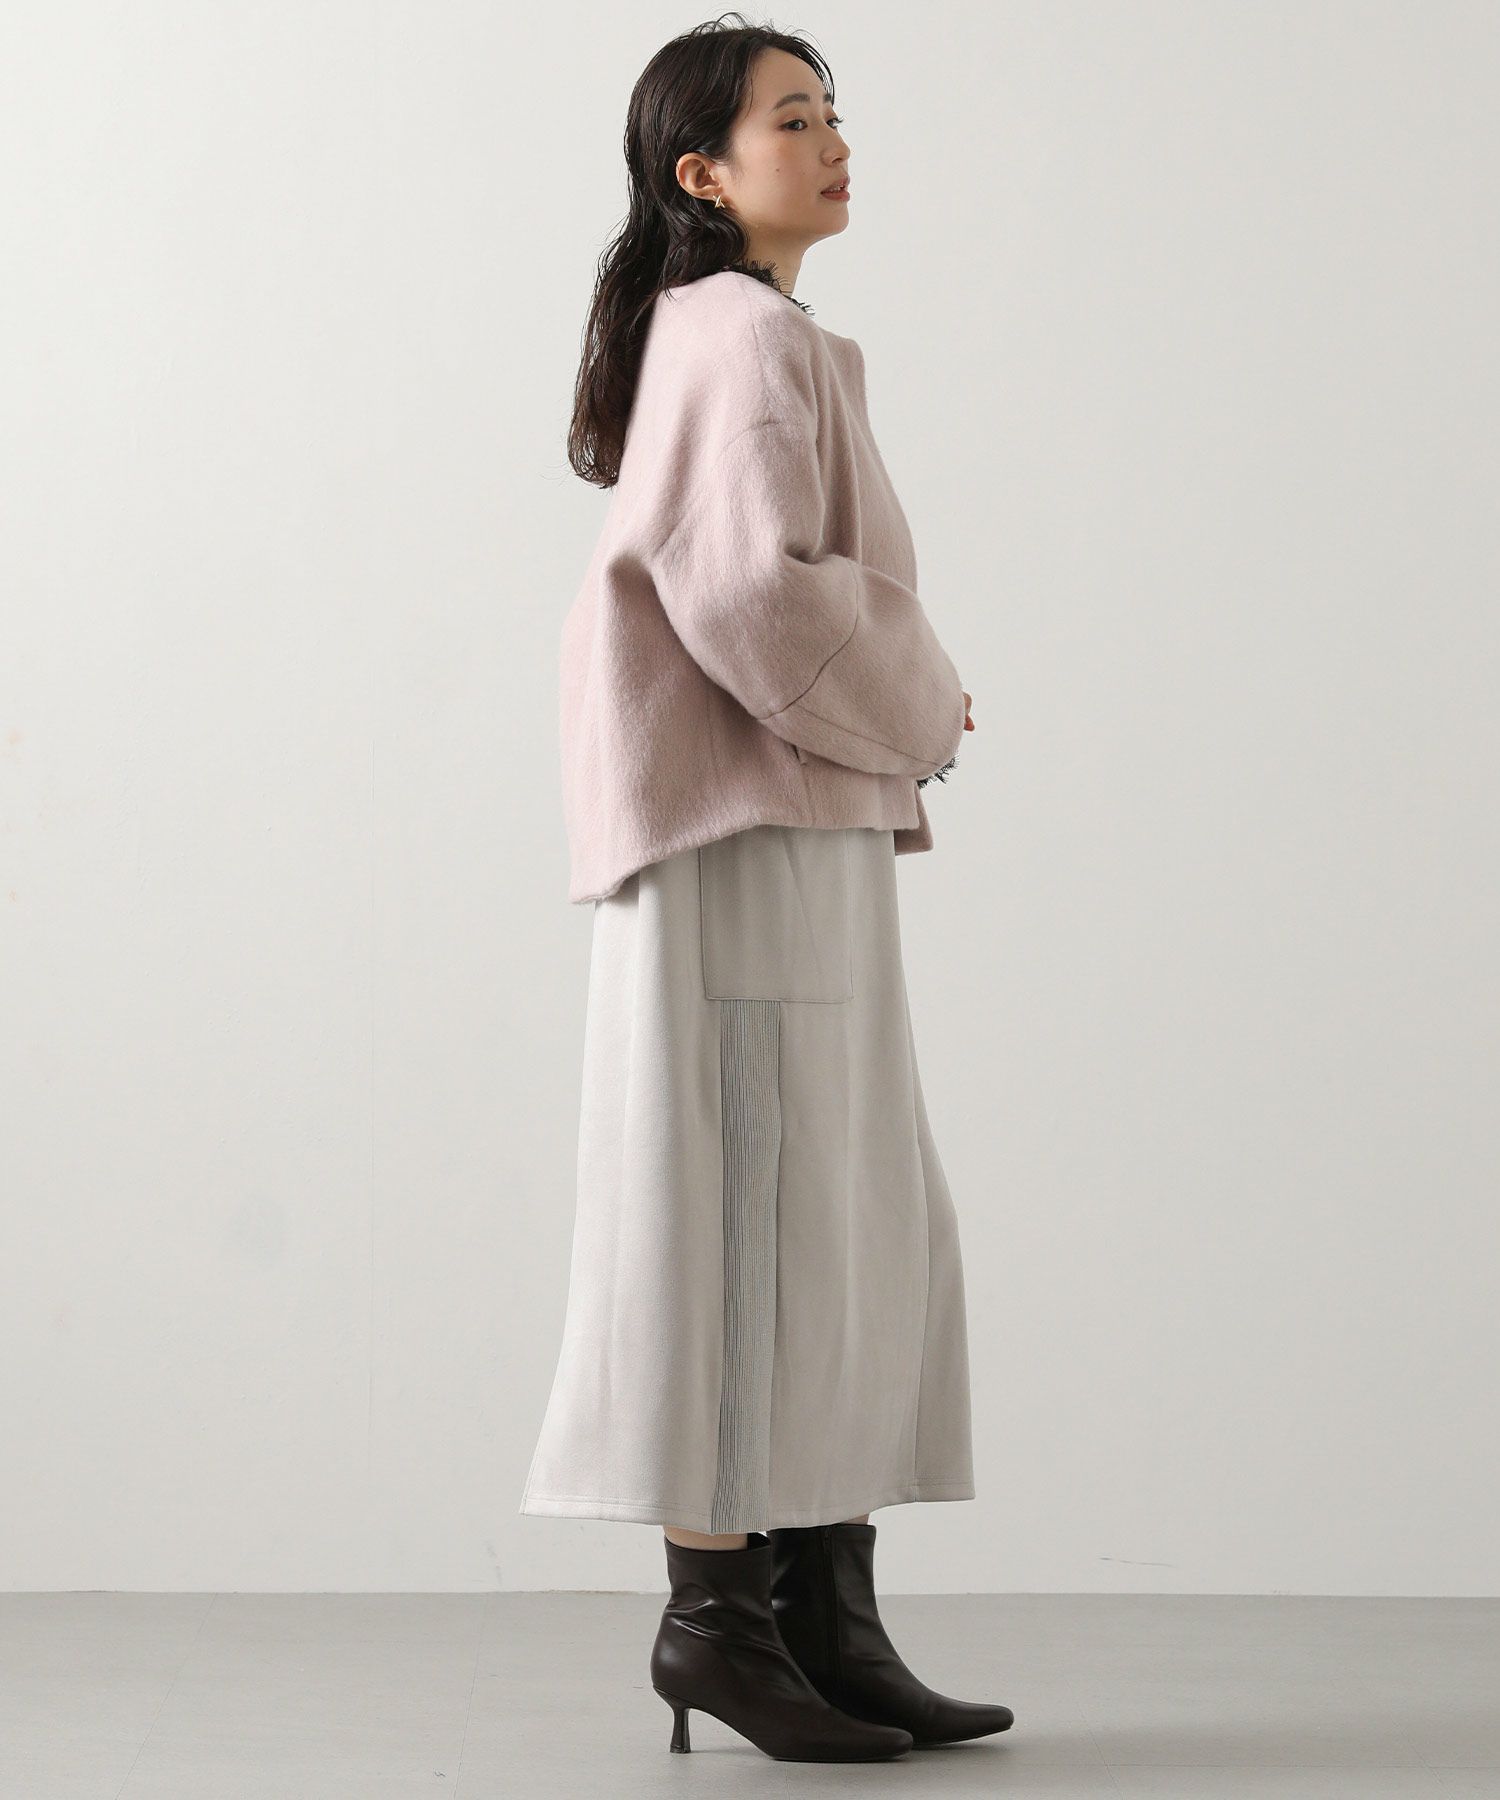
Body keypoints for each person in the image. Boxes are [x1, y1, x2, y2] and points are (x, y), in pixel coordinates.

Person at [519, 14, 1014, 1764]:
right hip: (744, 835)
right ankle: (721, 1620)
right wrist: (918, 697)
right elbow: (740, 589)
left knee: (828, 1206)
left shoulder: (746, 332)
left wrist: (891, 711)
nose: (833, 141)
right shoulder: (740, 334)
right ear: (704, 175)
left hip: (783, 823)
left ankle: (820, 1615)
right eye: (792, 120)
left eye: (832, 112)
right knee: (752, 1209)